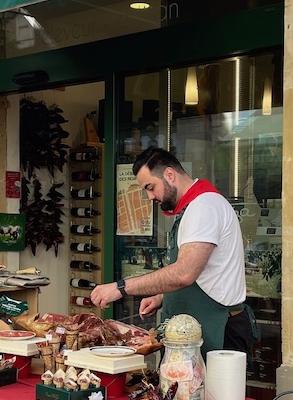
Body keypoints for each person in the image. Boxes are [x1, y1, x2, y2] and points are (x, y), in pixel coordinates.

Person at [90, 147, 253, 355]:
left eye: (151, 187)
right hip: (193, 332)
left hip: (218, 331)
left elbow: (184, 273)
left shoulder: (204, 207)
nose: (149, 197)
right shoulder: (193, 207)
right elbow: (205, 273)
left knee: (211, 389)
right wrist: (161, 297)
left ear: (169, 175)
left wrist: (120, 287)